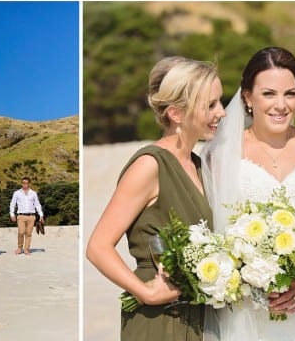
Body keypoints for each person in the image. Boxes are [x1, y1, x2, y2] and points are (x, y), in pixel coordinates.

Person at [203, 47, 295, 341]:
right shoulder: (221, 155)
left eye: (290, 94)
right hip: (249, 307)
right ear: (247, 97)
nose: (281, 105)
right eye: (269, 94)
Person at [86, 56, 225, 340]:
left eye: (220, 101)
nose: (221, 112)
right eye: (211, 105)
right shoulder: (150, 165)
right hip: (158, 319)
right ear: (176, 114)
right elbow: (98, 247)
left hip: (197, 317)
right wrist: (146, 292)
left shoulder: (199, 166)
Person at [9, 175, 45, 255]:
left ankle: (26, 249)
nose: (24, 184)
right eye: (23, 183)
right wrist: (12, 214)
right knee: (21, 232)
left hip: (31, 216)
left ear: (29, 184)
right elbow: (12, 204)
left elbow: (37, 204)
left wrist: (41, 215)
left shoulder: (33, 193)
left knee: (28, 234)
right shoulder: (17, 193)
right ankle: (19, 247)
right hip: (21, 216)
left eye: (26, 183)